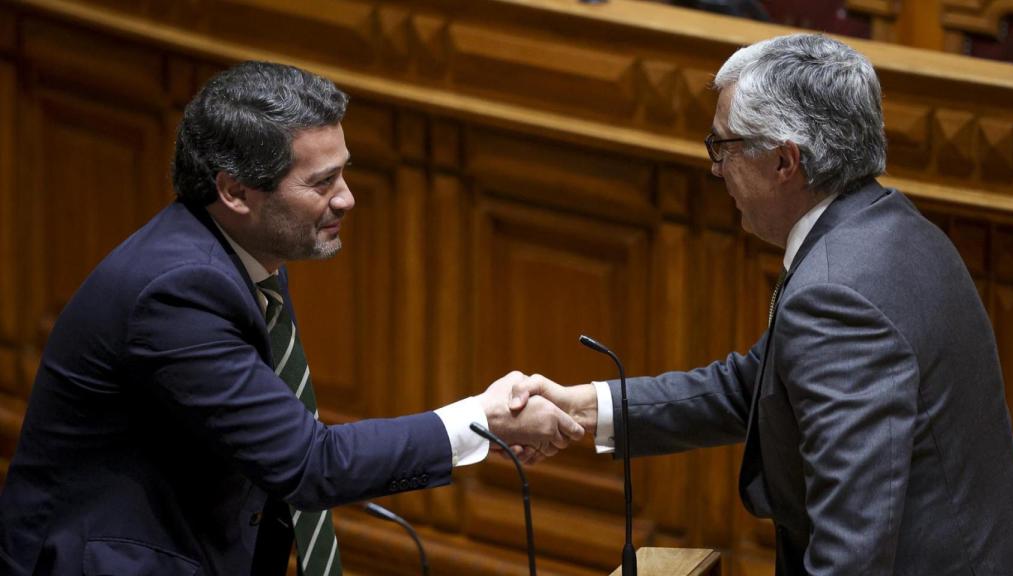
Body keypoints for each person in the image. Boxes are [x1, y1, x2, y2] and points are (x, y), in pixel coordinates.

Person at [0, 61, 583, 576]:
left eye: (343, 172)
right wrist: (483, 420)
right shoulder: (177, 294)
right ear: (235, 191)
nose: (347, 198)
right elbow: (308, 463)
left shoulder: (247, 255)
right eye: (322, 182)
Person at [511, 34, 1013, 574]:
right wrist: (580, 409)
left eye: (724, 147)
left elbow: (851, 554)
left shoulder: (836, 294)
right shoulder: (889, 226)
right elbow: (750, 387)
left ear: (784, 161)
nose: (715, 169)